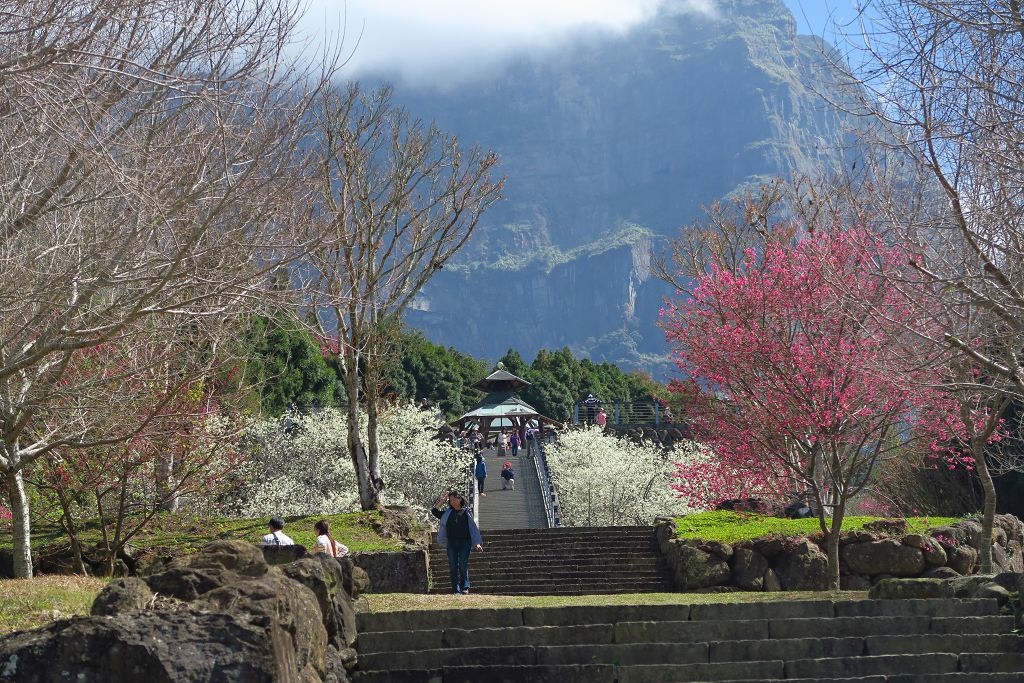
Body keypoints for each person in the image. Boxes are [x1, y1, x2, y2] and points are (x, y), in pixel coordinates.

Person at [431, 491, 483, 594]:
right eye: (450, 501)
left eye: (455, 499)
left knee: (463, 564)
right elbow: (434, 511)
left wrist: (477, 543)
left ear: (460, 499)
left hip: (465, 542)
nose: (453, 502)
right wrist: (442, 501)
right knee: (453, 566)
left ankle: (465, 587)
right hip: (451, 543)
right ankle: (456, 589)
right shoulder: (447, 513)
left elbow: (473, 528)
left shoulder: (467, 512)